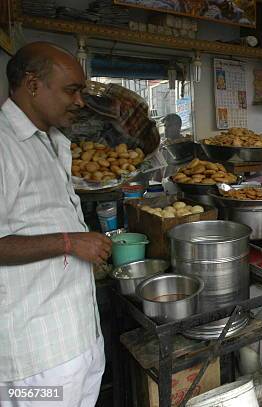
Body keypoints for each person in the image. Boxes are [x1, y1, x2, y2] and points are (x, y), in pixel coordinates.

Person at [0, 42, 111, 405]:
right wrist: (70, 242)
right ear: (33, 86)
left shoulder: (50, 141)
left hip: (75, 336)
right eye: (72, 90)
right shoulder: (4, 145)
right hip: (36, 357)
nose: (79, 101)